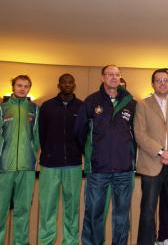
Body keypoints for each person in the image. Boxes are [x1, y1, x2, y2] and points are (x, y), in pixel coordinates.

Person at [76, 65, 136, 245]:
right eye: (110, 74)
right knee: (94, 213)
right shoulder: (91, 101)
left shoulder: (131, 103)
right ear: (102, 77)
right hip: (98, 169)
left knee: (122, 217)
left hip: (124, 170)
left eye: (117, 75)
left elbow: (138, 134)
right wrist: (92, 154)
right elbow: (80, 132)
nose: (114, 77)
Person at [135, 68, 168, 245]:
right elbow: (140, 133)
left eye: (165, 80)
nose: (162, 83)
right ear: (152, 83)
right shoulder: (142, 105)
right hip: (152, 163)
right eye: (158, 80)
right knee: (148, 210)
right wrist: (161, 151)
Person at [38, 73, 83, 245]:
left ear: (74, 85)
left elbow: (84, 134)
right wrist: (49, 152)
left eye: (70, 82)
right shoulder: (47, 106)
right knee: (48, 208)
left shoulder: (81, 107)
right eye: (64, 82)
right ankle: (46, 241)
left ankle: (70, 241)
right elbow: (41, 134)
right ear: (59, 85)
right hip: (50, 165)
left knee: (72, 209)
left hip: (73, 165)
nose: (67, 84)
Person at [0, 75, 39, 245]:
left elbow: (37, 137)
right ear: (13, 87)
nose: (22, 89)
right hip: (4, 168)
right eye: (19, 85)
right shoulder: (3, 108)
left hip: (27, 168)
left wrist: (33, 157)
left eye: (26, 86)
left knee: (22, 210)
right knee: (0, 210)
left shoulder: (34, 109)